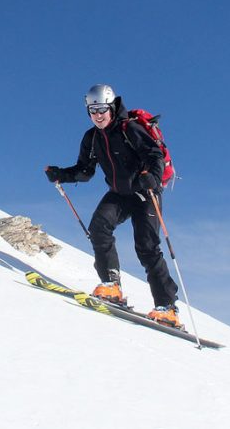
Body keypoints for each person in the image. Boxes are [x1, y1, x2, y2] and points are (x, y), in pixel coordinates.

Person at [44, 84, 181, 327]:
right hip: (119, 193)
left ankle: (167, 307)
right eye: (92, 110)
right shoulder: (92, 137)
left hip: (145, 191)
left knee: (147, 247)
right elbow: (85, 171)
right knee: (99, 227)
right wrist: (61, 174)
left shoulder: (131, 128)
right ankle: (111, 285)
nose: (97, 115)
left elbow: (154, 155)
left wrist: (152, 176)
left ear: (111, 107)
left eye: (101, 109)